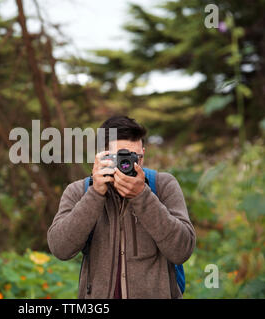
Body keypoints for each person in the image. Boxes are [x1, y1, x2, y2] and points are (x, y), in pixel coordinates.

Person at [47, 115, 196, 299]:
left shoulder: (163, 185)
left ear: (143, 153)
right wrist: (95, 194)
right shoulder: (79, 191)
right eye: (119, 158)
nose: (127, 165)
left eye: (135, 157)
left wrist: (142, 196)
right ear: (101, 156)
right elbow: (60, 248)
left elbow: (182, 249)